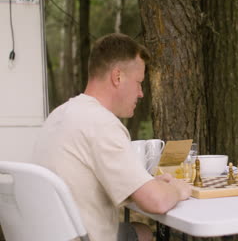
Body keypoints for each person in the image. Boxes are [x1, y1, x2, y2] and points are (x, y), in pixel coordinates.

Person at [33, 33, 192, 241]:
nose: (141, 93)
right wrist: (177, 190)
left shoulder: (59, 115)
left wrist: (148, 184)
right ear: (117, 77)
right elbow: (157, 202)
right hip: (82, 237)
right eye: (138, 82)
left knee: (141, 231)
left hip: (49, 234)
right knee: (144, 233)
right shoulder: (101, 122)